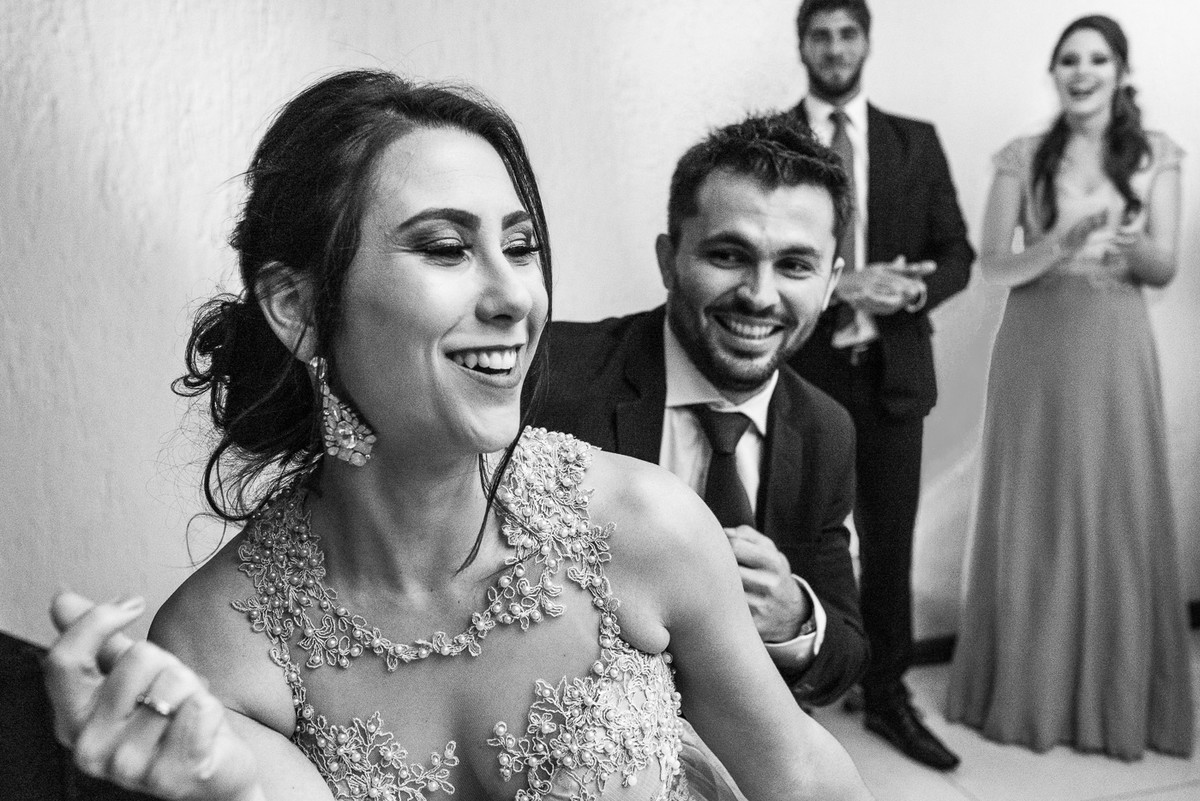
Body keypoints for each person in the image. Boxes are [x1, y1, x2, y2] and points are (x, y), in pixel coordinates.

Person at [42, 70, 874, 801]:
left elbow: (800, 777)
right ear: (298, 309)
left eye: (520, 245)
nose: (515, 296)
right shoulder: (219, 643)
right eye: (446, 248)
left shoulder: (645, 525)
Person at [530, 114, 867, 710]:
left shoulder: (826, 429)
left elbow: (845, 653)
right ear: (669, 259)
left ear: (830, 281)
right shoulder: (550, 376)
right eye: (729, 255)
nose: (760, 295)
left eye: (795, 265)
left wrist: (795, 616)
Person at [946, 15, 1192, 760]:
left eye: (1097, 59)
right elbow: (995, 264)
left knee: (1117, 503)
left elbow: (1164, 267)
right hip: (1036, 347)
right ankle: (1032, 692)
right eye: (1069, 60)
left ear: (1120, 72)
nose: (1082, 72)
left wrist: (1134, 247)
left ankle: (1114, 699)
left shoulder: (1157, 153)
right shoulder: (1022, 156)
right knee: (1038, 503)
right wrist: (1060, 242)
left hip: (1115, 346)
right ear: (1054, 73)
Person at [784, 0, 975, 772]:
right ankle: (790, 694)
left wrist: (914, 291)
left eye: (847, 34)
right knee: (794, 534)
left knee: (890, 542)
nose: (835, 48)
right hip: (803, 376)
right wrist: (839, 285)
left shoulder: (913, 142)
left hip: (894, 374)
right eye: (821, 36)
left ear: (866, 42)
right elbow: (762, 251)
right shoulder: (776, 142)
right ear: (802, 45)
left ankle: (887, 689)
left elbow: (957, 252)